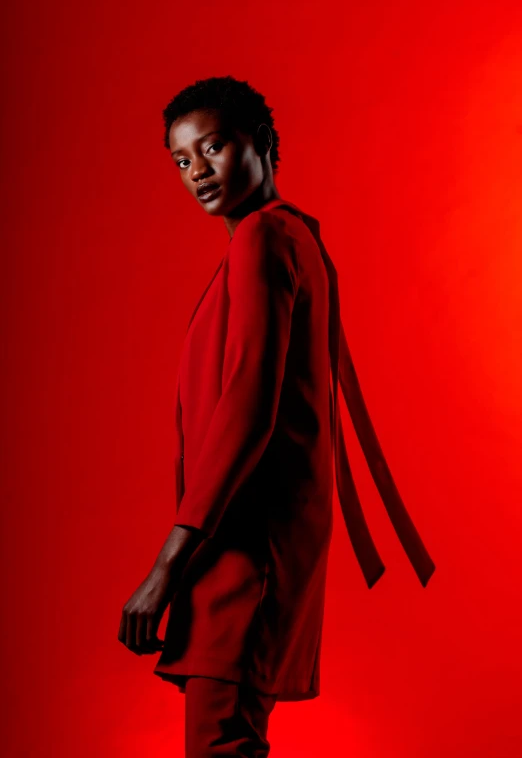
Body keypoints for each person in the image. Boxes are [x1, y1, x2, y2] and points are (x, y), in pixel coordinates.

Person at [118, 75, 435, 757]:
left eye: (214, 147)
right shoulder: (292, 238)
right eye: (181, 160)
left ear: (261, 143)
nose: (197, 170)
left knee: (221, 740)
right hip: (248, 540)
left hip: (242, 546)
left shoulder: (264, 239)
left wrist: (165, 567)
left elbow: (248, 407)